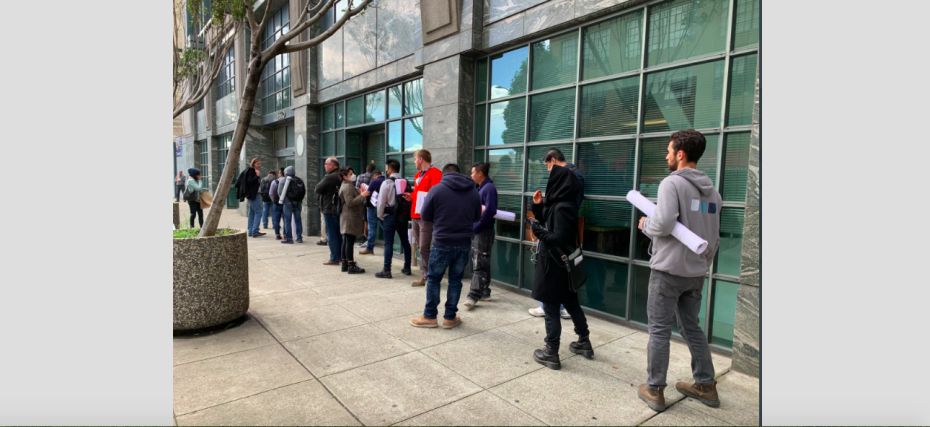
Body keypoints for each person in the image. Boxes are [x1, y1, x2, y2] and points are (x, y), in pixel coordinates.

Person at [636, 130, 722, 412]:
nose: (667, 155)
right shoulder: (713, 193)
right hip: (695, 274)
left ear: (681, 154)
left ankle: (654, 389)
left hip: (668, 272)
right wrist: (703, 264)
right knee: (692, 328)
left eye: (669, 150)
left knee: (659, 330)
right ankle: (706, 385)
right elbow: (714, 235)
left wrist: (645, 225)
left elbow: (661, 224)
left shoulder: (671, 184)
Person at [527, 161, 592, 370]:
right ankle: (584, 341)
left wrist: (536, 230)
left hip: (554, 264)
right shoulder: (562, 203)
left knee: (552, 307)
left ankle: (551, 352)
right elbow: (548, 219)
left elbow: (557, 236)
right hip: (561, 264)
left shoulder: (564, 206)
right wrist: (537, 206)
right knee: (571, 302)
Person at [410, 164, 481, 329]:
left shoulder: (436, 189)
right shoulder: (473, 191)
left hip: (442, 241)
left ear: (444, 174)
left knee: (434, 279)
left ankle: (429, 316)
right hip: (464, 242)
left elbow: (425, 216)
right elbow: (477, 217)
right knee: (456, 280)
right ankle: (450, 317)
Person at [528, 148, 585, 319]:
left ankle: (551, 306)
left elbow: (560, 216)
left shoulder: (568, 178)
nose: (548, 173)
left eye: (547, 166)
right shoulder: (572, 177)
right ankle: (553, 305)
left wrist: (538, 229)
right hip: (557, 232)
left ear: (553, 161)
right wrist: (539, 206)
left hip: (557, 236)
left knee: (555, 278)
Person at [404, 149, 443, 287]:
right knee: (421, 247)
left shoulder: (435, 173)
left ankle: (428, 276)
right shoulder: (419, 175)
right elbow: (419, 193)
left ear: (421, 159)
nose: (414, 162)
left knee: (424, 247)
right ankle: (427, 275)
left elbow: (436, 194)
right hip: (415, 215)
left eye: (415, 159)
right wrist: (412, 196)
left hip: (426, 217)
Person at [464, 162, 498, 310]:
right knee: (482, 261)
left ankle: (473, 295)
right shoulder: (481, 188)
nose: (471, 175)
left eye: (472, 173)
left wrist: (476, 227)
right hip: (479, 230)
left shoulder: (489, 188)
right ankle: (484, 291)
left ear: (480, 173)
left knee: (480, 262)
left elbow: (490, 211)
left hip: (483, 231)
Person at [375, 159, 412, 278]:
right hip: (402, 216)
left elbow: (381, 202)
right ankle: (407, 267)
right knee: (405, 242)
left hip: (389, 215)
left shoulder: (386, 183)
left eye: (387, 168)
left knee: (388, 243)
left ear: (390, 169)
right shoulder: (405, 182)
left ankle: (387, 270)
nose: (386, 170)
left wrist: (380, 216)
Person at [337, 166, 370, 274]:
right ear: (344, 177)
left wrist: (359, 193)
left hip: (349, 216)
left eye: (352, 173)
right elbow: (350, 202)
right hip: (350, 217)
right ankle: (350, 264)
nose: (353, 175)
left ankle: (345, 263)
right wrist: (362, 195)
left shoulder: (347, 185)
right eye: (350, 174)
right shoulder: (346, 187)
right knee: (349, 241)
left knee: (347, 240)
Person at [315, 157, 343, 265]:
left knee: (331, 234)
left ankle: (334, 258)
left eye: (326, 164)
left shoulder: (330, 176)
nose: (324, 166)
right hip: (338, 208)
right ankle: (340, 256)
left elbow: (317, 188)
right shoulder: (340, 175)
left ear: (332, 165)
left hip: (329, 208)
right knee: (337, 234)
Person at [236, 158, 265, 238]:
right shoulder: (252, 171)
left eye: (260, 163)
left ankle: (251, 231)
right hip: (254, 195)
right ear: (254, 164)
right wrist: (257, 176)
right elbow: (250, 181)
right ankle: (255, 231)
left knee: (251, 213)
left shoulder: (250, 171)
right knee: (258, 212)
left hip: (252, 195)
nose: (259, 165)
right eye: (258, 164)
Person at [278, 166, 306, 244]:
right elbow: (303, 192)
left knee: (287, 221)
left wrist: (282, 200)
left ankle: (289, 239)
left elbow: (279, 192)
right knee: (298, 220)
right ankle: (299, 238)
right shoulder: (299, 180)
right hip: (298, 202)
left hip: (287, 203)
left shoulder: (283, 180)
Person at [360, 169, 383, 255]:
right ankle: (389, 245)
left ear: (374, 176)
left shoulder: (374, 181)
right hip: (383, 207)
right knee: (384, 226)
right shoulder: (386, 180)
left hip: (373, 207)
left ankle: (369, 248)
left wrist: (367, 205)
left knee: (372, 227)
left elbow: (368, 194)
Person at [355, 164, 376, 246]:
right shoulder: (374, 177)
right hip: (373, 201)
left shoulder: (360, 176)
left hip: (363, 200)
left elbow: (357, 188)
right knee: (371, 221)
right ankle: (370, 238)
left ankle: (364, 237)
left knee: (364, 219)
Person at [268, 168, 285, 240]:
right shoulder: (288, 181)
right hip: (286, 203)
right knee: (286, 220)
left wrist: (274, 200)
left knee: (276, 220)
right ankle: (286, 234)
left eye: (279, 173)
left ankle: (277, 234)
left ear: (281, 174)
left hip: (276, 203)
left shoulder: (275, 182)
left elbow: (271, 193)